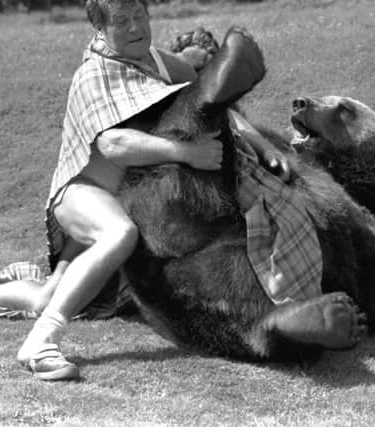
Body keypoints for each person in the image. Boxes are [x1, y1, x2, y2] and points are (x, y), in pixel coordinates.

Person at [15, 0, 292, 381]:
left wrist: (264, 145)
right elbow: (112, 145)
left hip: (129, 198)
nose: (134, 28)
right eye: (121, 21)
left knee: (50, 294)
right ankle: (40, 343)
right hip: (83, 194)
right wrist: (188, 153)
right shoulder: (92, 74)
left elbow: (210, 101)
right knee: (119, 234)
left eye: (139, 15)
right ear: (100, 29)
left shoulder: (159, 62)